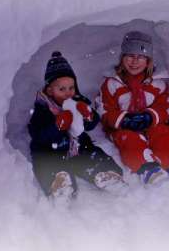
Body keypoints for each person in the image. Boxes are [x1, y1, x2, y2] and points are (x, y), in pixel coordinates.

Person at [97, 31, 169, 185]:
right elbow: (105, 111)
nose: (134, 62)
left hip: (149, 123)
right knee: (129, 140)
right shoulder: (111, 83)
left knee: (165, 134)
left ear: (148, 61)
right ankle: (147, 167)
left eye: (140, 57)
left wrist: (149, 117)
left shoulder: (157, 83)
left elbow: (164, 108)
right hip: (123, 127)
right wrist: (124, 120)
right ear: (122, 58)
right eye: (130, 56)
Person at [28, 51, 125, 201]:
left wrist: (89, 115)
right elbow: (39, 135)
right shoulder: (43, 109)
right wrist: (57, 126)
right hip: (49, 149)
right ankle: (59, 184)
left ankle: (106, 174)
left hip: (76, 146)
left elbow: (90, 124)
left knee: (90, 154)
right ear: (49, 90)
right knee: (47, 162)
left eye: (71, 88)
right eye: (62, 89)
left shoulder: (77, 102)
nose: (68, 93)